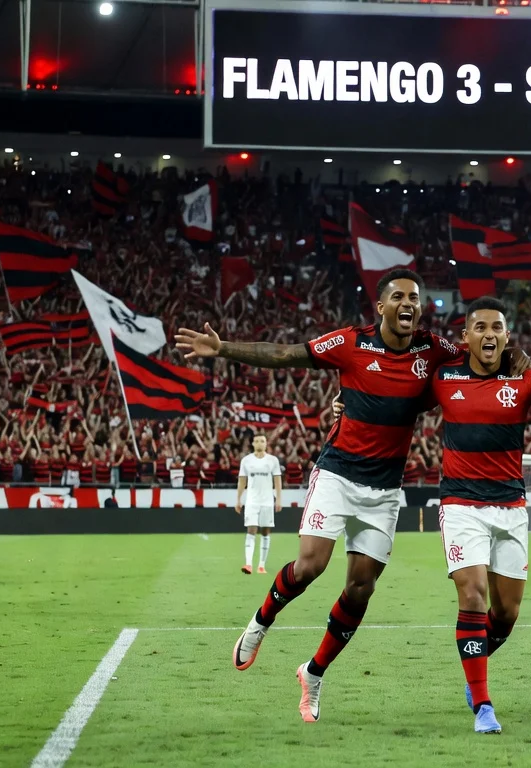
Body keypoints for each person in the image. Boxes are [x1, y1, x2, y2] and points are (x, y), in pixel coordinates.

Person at [177, 268, 468, 723]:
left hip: (386, 488)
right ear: (381, 306)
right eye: (400, 297)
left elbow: (481, 362)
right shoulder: (352, 343)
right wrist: (224, 348)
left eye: (416, 297)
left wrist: (522, 359)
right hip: (337, 474)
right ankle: (259, 624)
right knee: (311, 564)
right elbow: (285, 354)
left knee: (360, 589)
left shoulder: (434, 350)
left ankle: (313, 674)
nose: (410, 304)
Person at [334, 296, 531, 734]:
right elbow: (392, 396)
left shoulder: (527, 378)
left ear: (507, 336)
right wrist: (344, 403)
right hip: (461, 504)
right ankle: (483, 704)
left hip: (510, 506)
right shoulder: (443, 377)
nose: (489, 335)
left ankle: (474, 666)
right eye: (480, 328)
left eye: (497, 328)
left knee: (506, 614)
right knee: (473, 596)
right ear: (465, 338)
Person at [237, 433, 283, 575]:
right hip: (252, 501)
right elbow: (242, 481)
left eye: (262, 441)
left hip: (267, 501)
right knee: (251, 530)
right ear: (253, 444)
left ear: (266, 443)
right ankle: (249, 564)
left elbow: (277, 481)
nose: (259, 443)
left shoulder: (273, 460)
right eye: (256, 441)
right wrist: (238, 499)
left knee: (265, 532)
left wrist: (279, 499)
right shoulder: (246, 461)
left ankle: (261, 565)